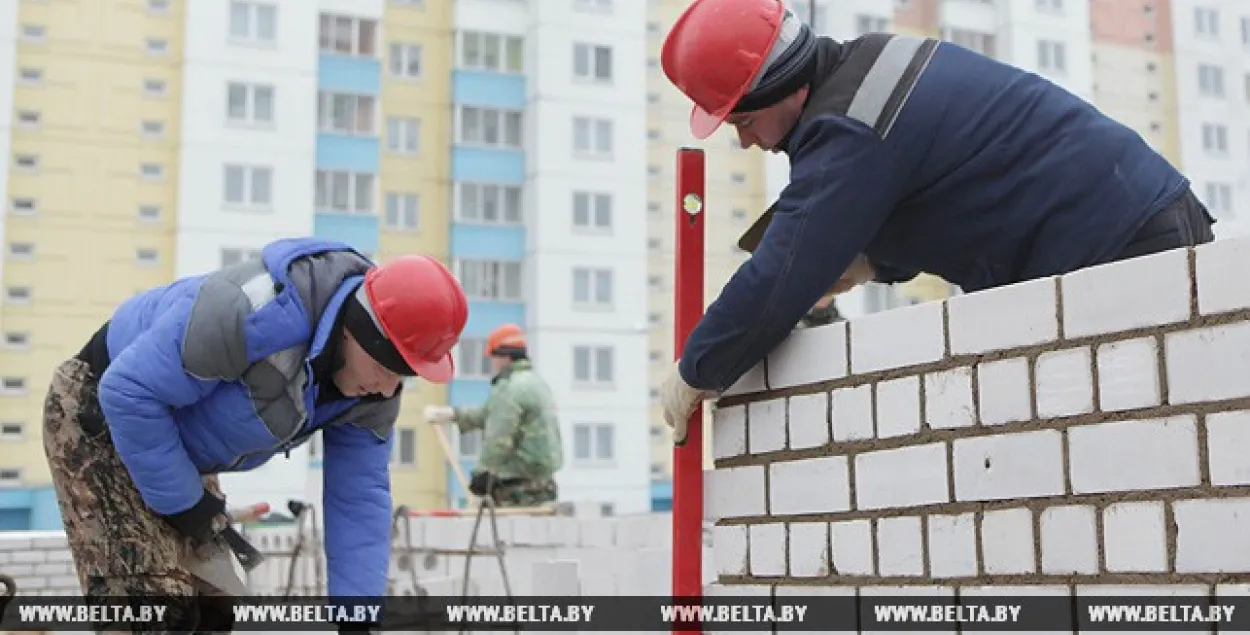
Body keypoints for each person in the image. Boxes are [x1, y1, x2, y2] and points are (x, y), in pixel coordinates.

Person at [657, 0, 1217, 445]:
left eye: (746, 119)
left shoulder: (848, 129)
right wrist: (872, 261)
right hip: (1135, 230)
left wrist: (697, 369)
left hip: (1127, 249)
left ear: (787, 85)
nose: (746, 140)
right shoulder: (869, 69)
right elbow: (950, 185)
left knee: (1146, 462)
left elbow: (777, 278)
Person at [42, 238, 468, 633]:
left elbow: (358, 498)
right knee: (150, 608)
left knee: (216, 607)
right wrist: (185, 504)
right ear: (354, 330)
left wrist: (356, 619)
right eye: (386, 368)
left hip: (175, 440)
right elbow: (128, 391)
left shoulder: (372, 392)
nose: (389, 389)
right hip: (99, 405)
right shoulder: (255, 311)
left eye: (405, 377)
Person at [424, 324, 563, 508]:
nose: (493, 364)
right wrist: (453, 415)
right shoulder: (536, 383)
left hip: (518, 486)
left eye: (494, 358)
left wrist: (483, 475)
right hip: (543, 485)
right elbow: (490, 414)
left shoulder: (509, 389)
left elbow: (499, 439)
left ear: (504, 357)